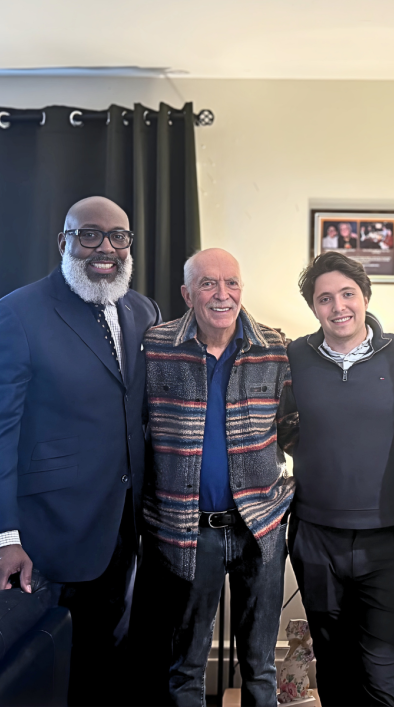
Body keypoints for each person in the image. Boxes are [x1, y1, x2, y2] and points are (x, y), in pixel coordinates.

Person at [0, 196, 161, 706]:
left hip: (121, 532)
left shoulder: (142, 311)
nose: (106, 248)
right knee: (42, 686)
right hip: (43, 543)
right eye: (89, 234)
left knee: (102, 672)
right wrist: (1, 539)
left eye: (119, 236)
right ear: (64, 242)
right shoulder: (11, 316)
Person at [138, 248, 294, 706]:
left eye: (231, 283)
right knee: (185, 667)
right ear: (187, 294)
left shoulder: (275, 349)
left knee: (260, 668)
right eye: (208, 284)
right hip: (185, 532)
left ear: (242, 289)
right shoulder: (156, 347)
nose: (222, 294)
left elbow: (292, 427)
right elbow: (134, 430)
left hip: (259, 529)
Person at [281, 251, 394, 707]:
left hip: (384, 538)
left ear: (365, 296)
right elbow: (277, 428)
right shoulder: (294, 357)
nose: (338, 306)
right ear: (313, 307)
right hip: (315, 536)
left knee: (379, 678)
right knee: (334, 671)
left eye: (347, 294)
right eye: (324, 298)